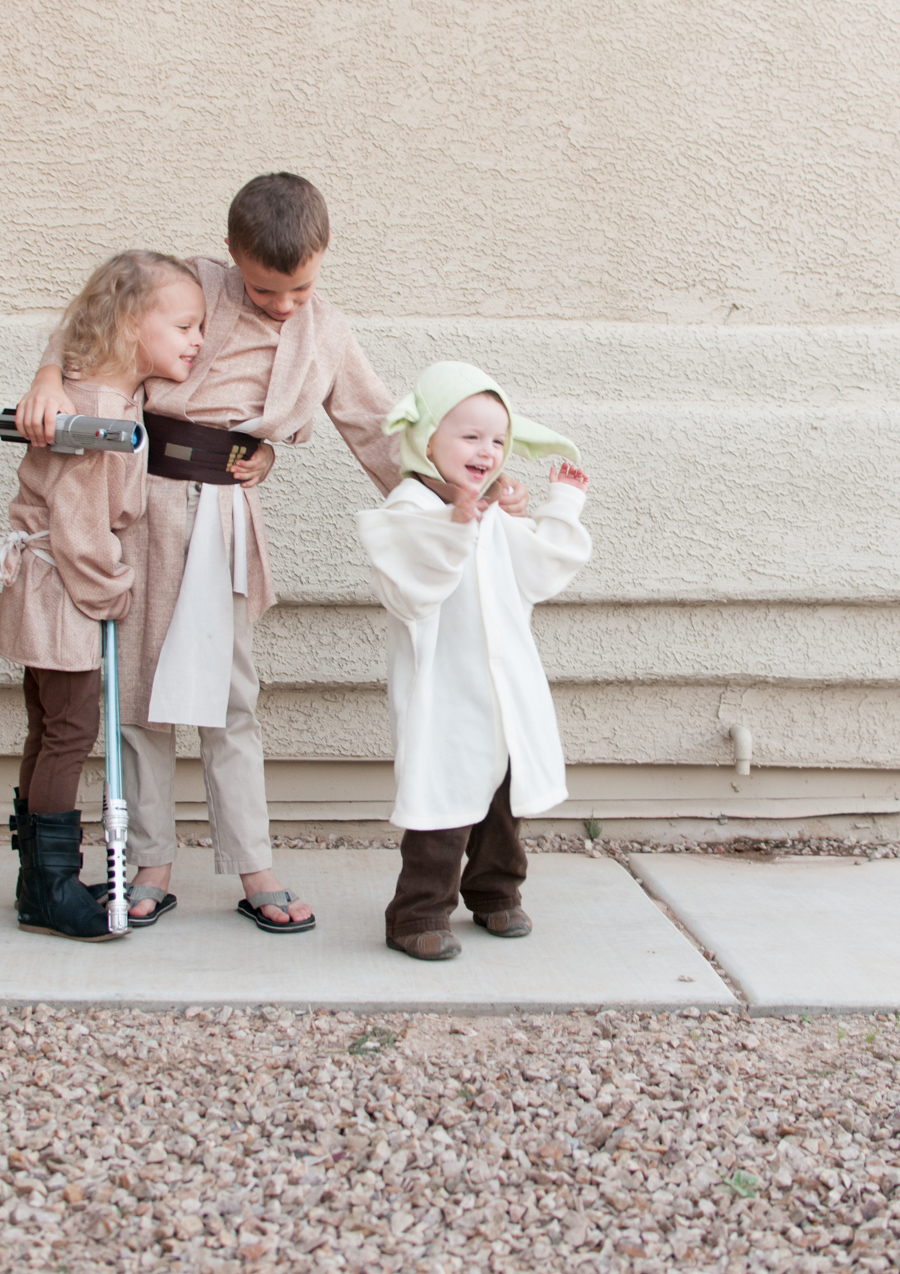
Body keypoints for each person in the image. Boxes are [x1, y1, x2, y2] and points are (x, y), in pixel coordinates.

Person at [17, 173, 530, 934]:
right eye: (264, 290)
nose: (283, 304)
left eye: (300, 287)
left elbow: (374, 427)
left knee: (232, 701)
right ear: (232, 256)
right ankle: (153, 862)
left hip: (225, 514)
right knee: (140, 702)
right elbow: (99, 317)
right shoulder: (192, 283)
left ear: (322, 257)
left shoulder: (327, 332)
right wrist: (49, 374)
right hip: (141, 499)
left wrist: (464, 486)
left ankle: (254, 864)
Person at [1, 251, 205, 940]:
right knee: (68, 732)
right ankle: (54, 887)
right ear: (129, 325)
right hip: (64, 588)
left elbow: (74, 332)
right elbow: (81, 532)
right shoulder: (97, 414)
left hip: (46, 585)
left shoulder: (105, 389)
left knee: (47, 728)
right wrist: (117, 591)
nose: (196, 340)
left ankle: (36, 883)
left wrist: (50, 366)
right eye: (183, 326)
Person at [357, 362, 591, 960]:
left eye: (497, 439)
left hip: (503, 686)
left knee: (502, 804)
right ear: (426, 437)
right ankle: (417, 914)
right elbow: (413, 586)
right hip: (445, 687)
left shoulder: (492, 511)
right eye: (469, 436)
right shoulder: (408, 510)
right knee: (442, 805)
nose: (486, 450)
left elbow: (538, 571)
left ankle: (495, 895)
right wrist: (455, 525)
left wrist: (560, 505)